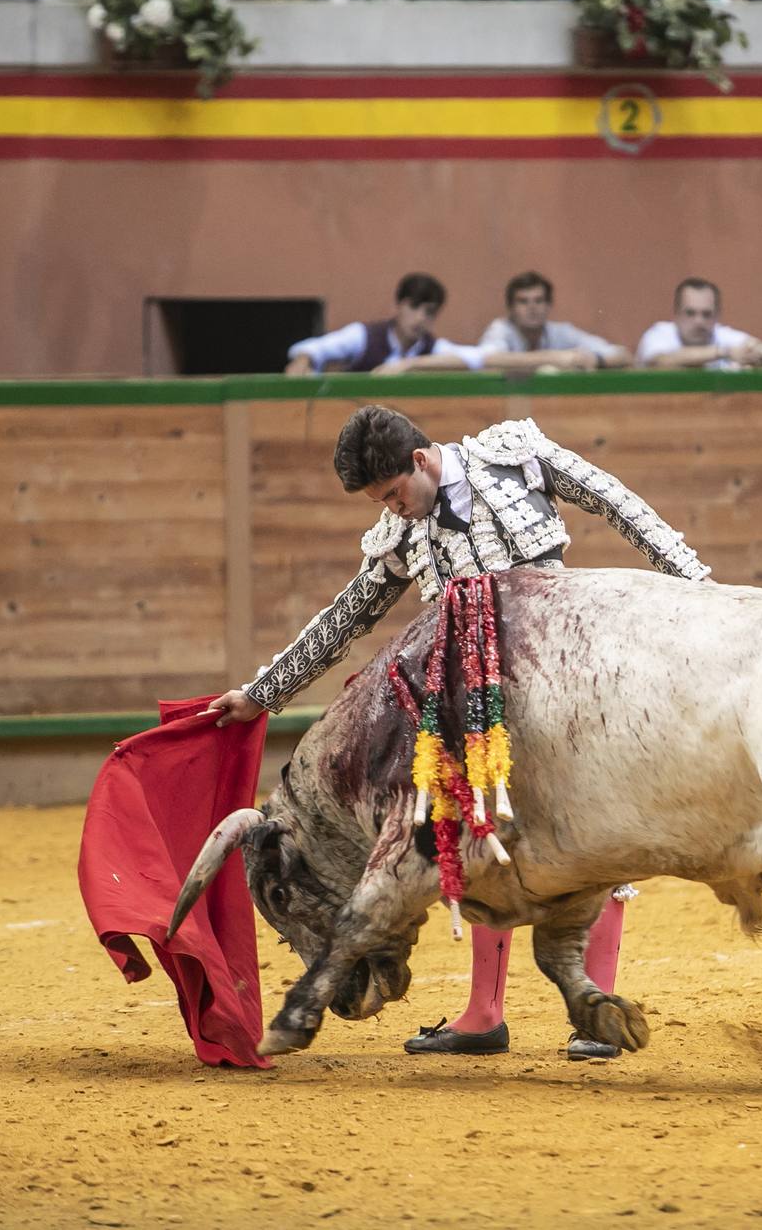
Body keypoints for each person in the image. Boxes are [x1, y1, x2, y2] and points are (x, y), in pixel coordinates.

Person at [206, 404, 712, 1059]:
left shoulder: (514, 457)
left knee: (593, 827)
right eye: (379, 501)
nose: (393, 509)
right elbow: (342, 621)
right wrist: (259, 695)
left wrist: (697, 593)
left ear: (419, 460)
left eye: (393, 493)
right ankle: (482, 1014)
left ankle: (594, 1010)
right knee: (471, 837)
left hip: (565, 684)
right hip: (472, 708)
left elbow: (620, 505)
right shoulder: (398, 535)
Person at [284, 273, 490, 375]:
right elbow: (314, 349)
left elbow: (475, 358)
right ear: (397, 305)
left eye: (429, 312)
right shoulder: (363, 336)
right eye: (414, 307)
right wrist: (303, 361)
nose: (420, 318)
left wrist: (410, 364)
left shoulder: (432, 348)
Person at [474, 271, 631, 370]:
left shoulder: (561, 332)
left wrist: (596, 360)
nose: (532, 308)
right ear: (511, 307)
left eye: (539, 301)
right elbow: (487, 359)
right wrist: (554, 358)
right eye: (523, 301)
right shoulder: (500, 329)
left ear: (549, 305)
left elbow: (622, 354)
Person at [635, 278, 762, 369]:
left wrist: (757, 352)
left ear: (717, 315)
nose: (699, 321)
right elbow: (661, 361)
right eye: (690, 313)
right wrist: (723, 353)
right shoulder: (659, 334)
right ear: (676, 314)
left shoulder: (722, 335)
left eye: (706, 314)